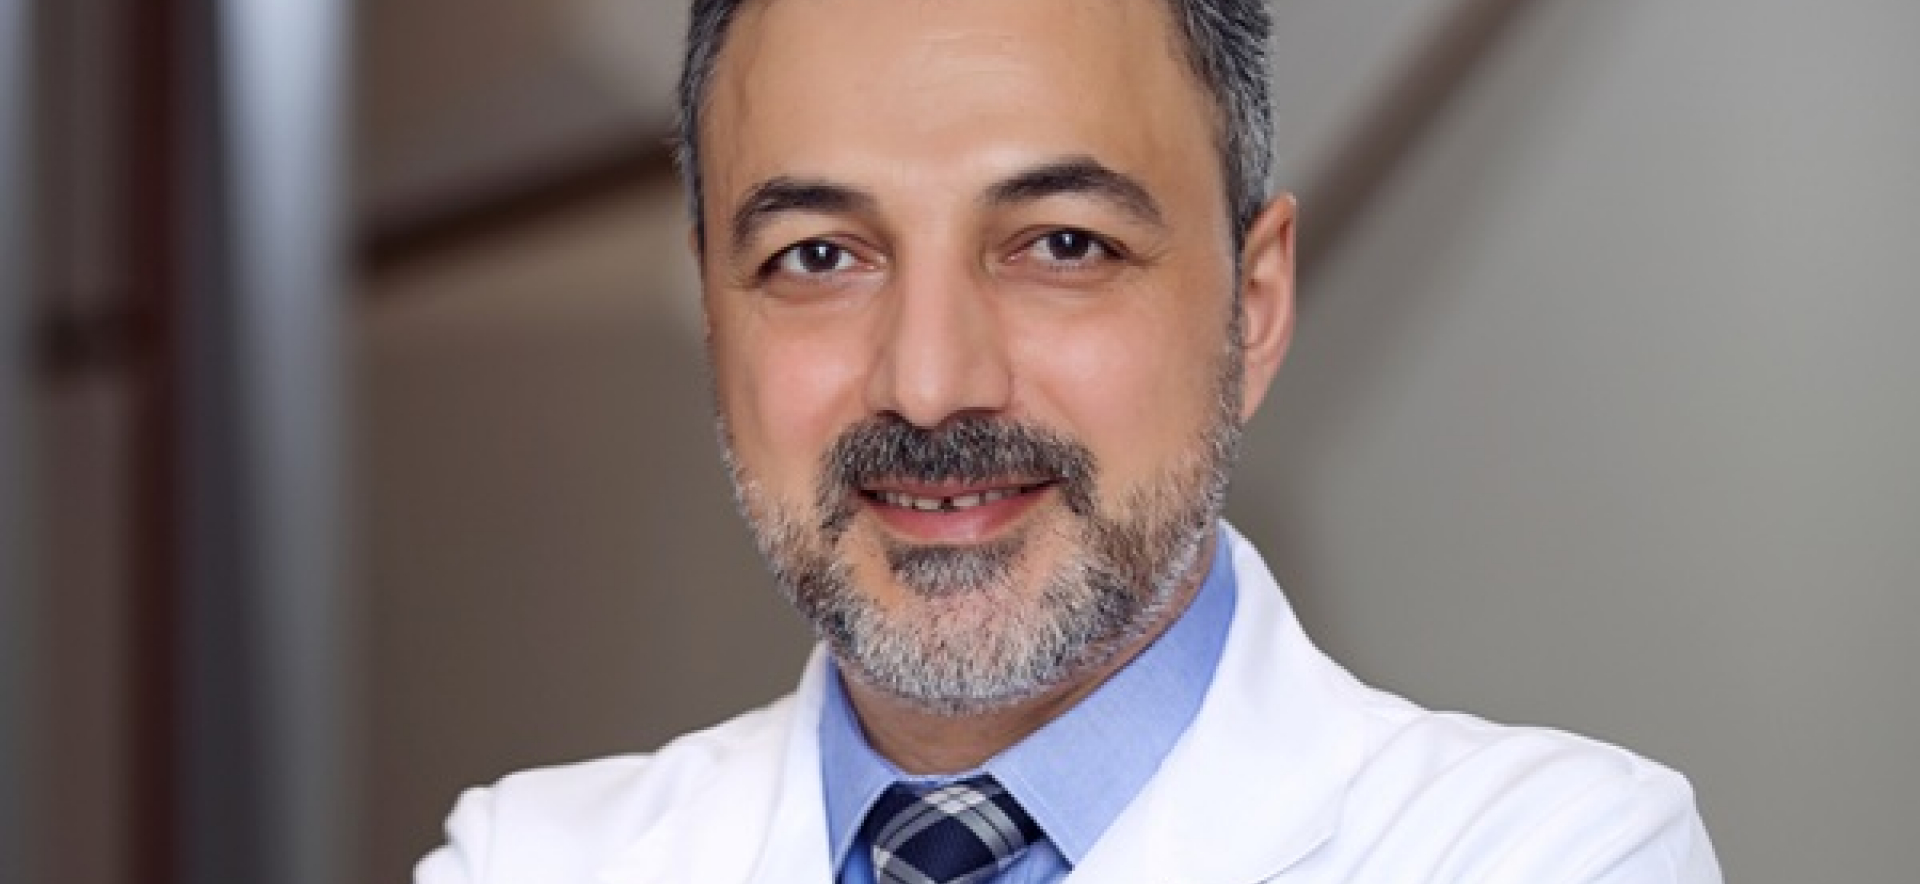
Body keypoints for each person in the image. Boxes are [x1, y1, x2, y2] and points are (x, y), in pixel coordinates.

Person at [417, 0, 1721, 881]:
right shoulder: (530, 858)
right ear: (715, 318)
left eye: (1062, 245)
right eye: (818, 256)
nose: (931, 385)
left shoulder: (1549, 853)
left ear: (1254, 307)